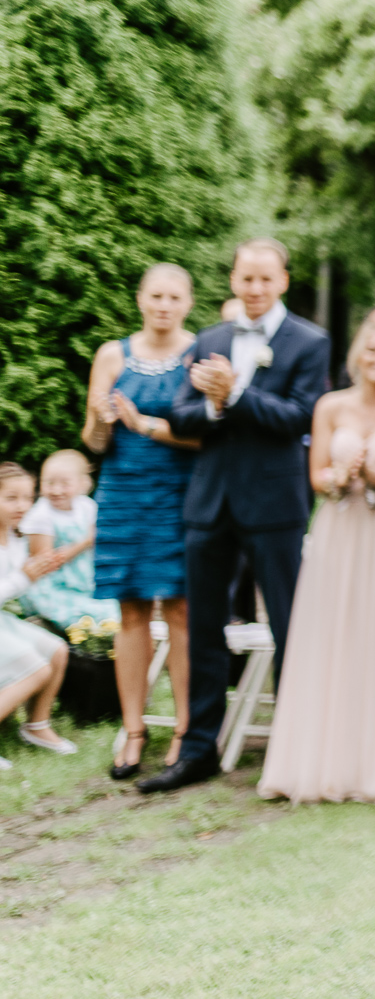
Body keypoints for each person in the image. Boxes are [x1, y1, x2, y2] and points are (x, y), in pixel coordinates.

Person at [153, 238, 330, 794]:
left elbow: (300, 416)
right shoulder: (210, 339)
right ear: (233, 280)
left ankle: (295, 749)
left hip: (275, 505)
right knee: (204, 628)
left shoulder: (310, 340)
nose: (253, 289)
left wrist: (235, 394)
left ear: (283, 280)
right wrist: (210, 404)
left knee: (289, 628)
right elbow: (181, 419)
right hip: (210, 503)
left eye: (264, 279)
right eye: (244, 279)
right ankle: (199, 748)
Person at [257, 309, 375, 805]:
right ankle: (323, 761)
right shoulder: (330, 406)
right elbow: (316, 472)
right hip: (339, 530)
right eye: (372, 349)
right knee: (332, 634)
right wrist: (338, 478)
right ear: (357, 354)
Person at [82, 263, 202, 778]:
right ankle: (133, 731)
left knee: (180, 611)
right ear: (139, 299)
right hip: (123, 494)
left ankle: (184, 729)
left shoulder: (199, 353)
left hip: (180, 494)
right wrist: (100, 420)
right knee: (131, 613)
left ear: (188, 303)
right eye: (155, 295)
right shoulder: (112, 354)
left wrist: (144, 425)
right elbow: (93, 444)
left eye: (174, 297)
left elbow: (204, 437)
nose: (164, 305)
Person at [0, 464, 72, 769]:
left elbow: (15, 584)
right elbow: (14, 583)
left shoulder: (14, 538)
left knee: (57, 651)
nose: (22, 506)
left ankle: (36, 726)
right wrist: (24, 577)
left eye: (27, 498)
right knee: (36, 670)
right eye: (11, 498)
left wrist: (40, 570)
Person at [17, 452, 120, 631]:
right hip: (52, 586)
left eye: (65, 484)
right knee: (94, 619)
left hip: (82, 579)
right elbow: (45, 563)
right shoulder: (41, 515)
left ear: (82, 484)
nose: (56, 490)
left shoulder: (85, 506)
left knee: (117, 609)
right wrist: (86, 541)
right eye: (49, 483)